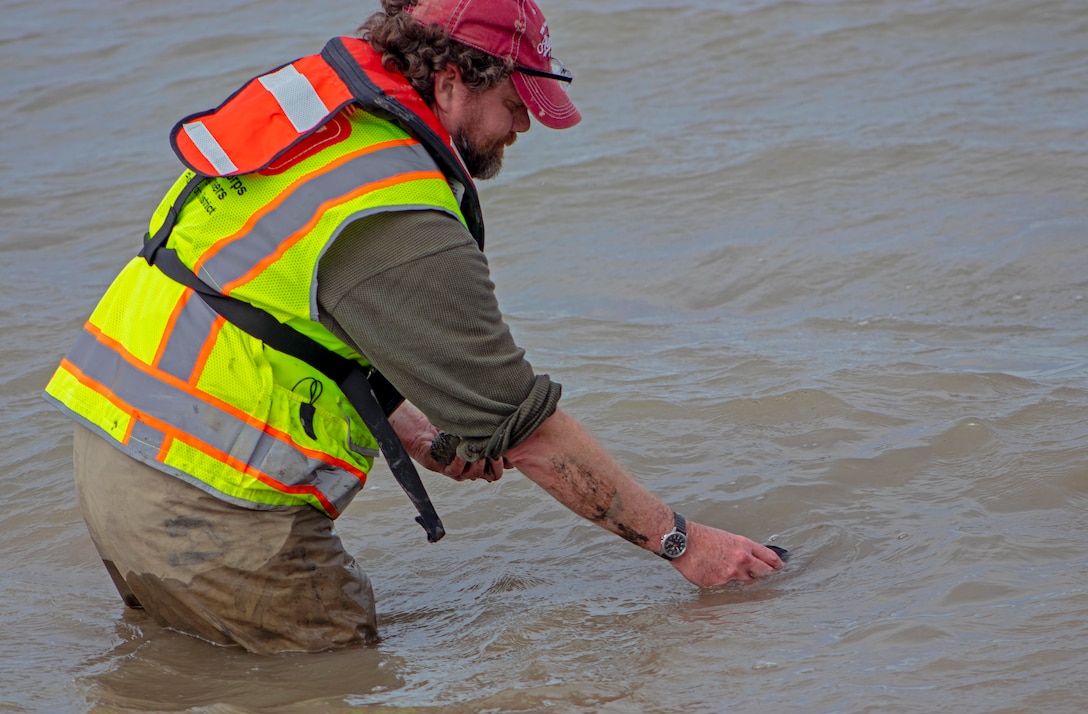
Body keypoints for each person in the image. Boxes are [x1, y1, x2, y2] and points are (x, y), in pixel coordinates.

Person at [43, 0, 785, 654]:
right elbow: (525, 427)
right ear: (451, 79)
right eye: (513, 97)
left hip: (114, 458)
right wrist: (686, 545)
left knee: (188, 681)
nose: (526, 122)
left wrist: (412, 427)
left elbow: (262, 304)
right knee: (335, 685)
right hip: (213, 506)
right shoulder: (395, 202)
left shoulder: (321, 119)